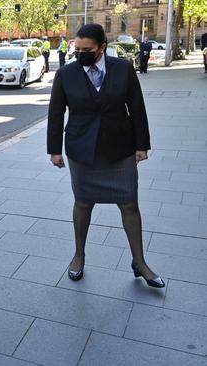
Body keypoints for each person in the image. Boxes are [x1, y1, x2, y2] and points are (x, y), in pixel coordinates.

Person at [47, 24, 164, 288]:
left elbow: (136, 107)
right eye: (78, 49)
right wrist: (54, 150)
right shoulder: (66, 74)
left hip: (119, 148)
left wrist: (141, 145)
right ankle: (79, 256)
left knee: (129, 204)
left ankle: (139, 262)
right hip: (81, 149)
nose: (81, 54)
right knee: (83, 203)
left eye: (87, 50)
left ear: (102, 47)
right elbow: (55, 114)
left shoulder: (123, 68)